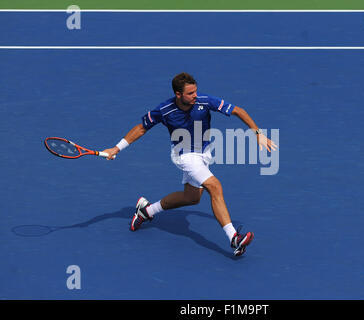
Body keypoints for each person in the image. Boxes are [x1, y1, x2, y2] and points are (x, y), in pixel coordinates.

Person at [102, 72, 277, 256]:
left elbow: (238, 110)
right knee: (214, 186)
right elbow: (141, 128)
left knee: (191, 197)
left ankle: (146, 211)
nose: (195, 96)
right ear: (178, 94)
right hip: (184, 155)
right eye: (190, 93)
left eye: (195, 91)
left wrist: (258, 134)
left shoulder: (204, 101)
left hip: (204, 154)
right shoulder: (164, 110)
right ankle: (234, 238)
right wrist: (116, 148)